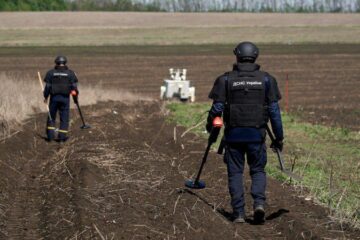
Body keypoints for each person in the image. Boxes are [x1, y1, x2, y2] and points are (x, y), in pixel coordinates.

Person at [207, 42, 284, 224]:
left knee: (235, 173)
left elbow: (216, 108)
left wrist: (210, 128)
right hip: (257, 136)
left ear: (237, 56)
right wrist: (279, 137)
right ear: (255, 56)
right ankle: (258, 204)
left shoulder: (225, 80)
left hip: (233, 136)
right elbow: (274, 112)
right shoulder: (267, 80)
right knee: (257, 170)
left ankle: (239, 213)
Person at [43, 56, 79, 142]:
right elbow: (74, 88)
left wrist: (45, 96)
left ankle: (50, 137)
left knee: (51, 116)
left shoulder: (50, 73)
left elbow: (47, 87)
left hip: (54, 98)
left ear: (56, 62)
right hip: (65, 99)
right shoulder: (71, 73)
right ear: (65, 62)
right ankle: (62, 138)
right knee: (64, 118)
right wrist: (75, 99)